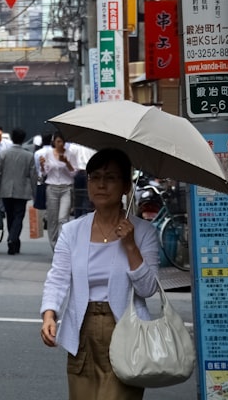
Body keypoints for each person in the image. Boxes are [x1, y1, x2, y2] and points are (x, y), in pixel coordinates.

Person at [39, 148, 160, 399]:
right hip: (81, 333)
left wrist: (130, 246)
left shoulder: (143, 232)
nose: (101, 184)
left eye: (111, 177)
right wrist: (49, 314)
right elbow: (58, 277)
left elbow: (147, 288)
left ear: (127, 186)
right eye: (95, 177)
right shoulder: (73, 231)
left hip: (126, 334)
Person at [0, 127, 38, 255]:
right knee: (18, 216)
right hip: (22, 191)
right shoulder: (28, 156)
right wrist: (35, 193)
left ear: (11, 138)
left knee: (10, 216)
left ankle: (13, 240)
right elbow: (33, 176)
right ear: (23, 140)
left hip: (5, 190)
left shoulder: (4, 154)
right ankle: (13, 239)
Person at [37, 132, 78, 249]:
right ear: (54, 142)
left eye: (62, 142)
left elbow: (74, 173)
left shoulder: (70, 154)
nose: (60, 144)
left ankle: (62, 246)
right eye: (58, 141)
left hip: (66, 187)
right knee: (52, 219)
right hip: (52, 187)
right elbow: (45, 172)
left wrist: (66, 163)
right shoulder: (48, 153)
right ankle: (54, 246)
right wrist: (42, 165)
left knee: (63, 218)